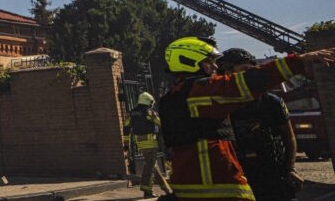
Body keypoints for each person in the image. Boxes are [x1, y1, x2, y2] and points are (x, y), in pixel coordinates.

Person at [159, 36, 335, 201]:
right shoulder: (199, 91)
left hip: (192, 186)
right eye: (208, 62)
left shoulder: (172, 97)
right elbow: (245, 83)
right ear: (188, 61)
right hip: (218, 187)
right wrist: (297, 61)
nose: (214, 67)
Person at [218, 48, 302, 201]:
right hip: (239, 175)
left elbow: (289, 137)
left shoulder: (271, 102)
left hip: (272, 172)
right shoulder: (221, 104)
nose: (248, 75)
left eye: (250, 69)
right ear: (227, 73)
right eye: (243, 70)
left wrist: (290, 168)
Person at [124, 92, 171, 198]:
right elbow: (160, 123)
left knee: (153, 165)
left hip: (140, 143)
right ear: (148, 101)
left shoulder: (132, 112)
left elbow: (126, 127)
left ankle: (166, 189)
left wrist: (126, 143)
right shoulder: (149, 112)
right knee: (150, 166)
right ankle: (147, 190)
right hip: (150, 143)